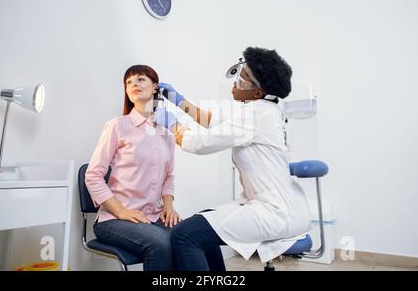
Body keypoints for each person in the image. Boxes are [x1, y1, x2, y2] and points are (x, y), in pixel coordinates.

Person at [158, 47, 312, 271]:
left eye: (245, 77)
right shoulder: (264, 109)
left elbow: (200, 143)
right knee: (203, 227)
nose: (237, 80)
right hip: (285, 206)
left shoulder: (254, 114)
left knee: (185, 235)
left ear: (257, 93)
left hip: (275, 212)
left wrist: (171, 124)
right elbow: (210, 121)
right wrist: (176, 99)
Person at [85, 65, 181, 271]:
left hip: (153, 216)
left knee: (194, 237)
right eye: (129, 82)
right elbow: (92, 175)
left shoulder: (167, 130)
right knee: (161, 244)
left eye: (140, 79)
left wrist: (168, 206)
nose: (134, 84)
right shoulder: (117, 126)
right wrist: (121, 211)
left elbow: (169, 176)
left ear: (155, 87)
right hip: (113, 219)